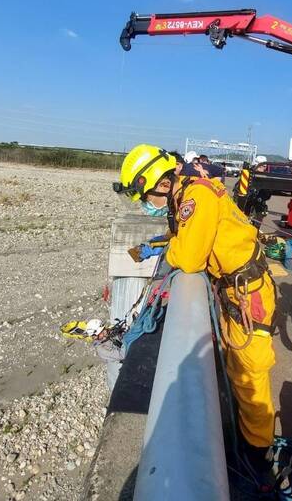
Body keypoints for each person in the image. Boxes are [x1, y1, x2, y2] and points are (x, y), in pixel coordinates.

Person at [114, 144, 277, 477]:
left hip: (248, 294)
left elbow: (188, 258)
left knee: (250, 375)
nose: (148, 206)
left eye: (147, 197)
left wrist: (172, 247)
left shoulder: (195, 197)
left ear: (161, 183)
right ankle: (250, 438)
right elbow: (182, 235)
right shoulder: (186, 190)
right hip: (235, 290)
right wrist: (159, 244)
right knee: (236, 368)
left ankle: (259, 455)